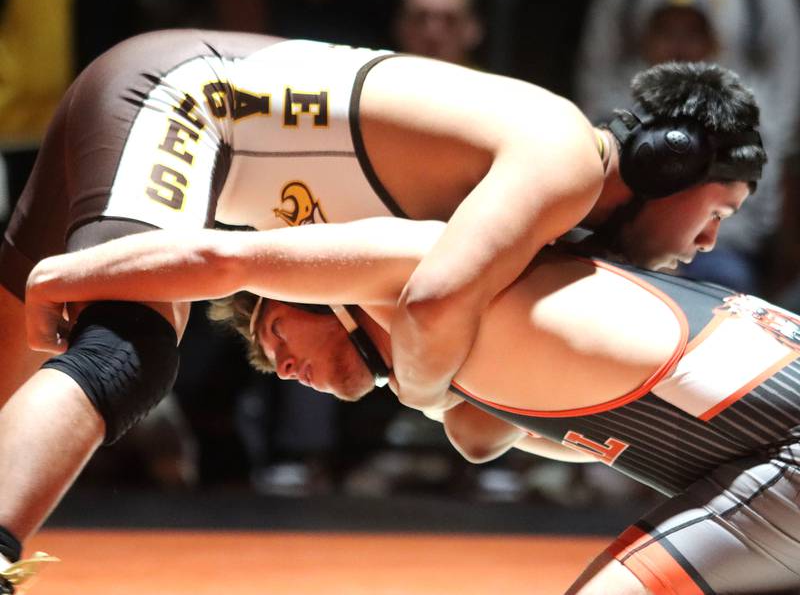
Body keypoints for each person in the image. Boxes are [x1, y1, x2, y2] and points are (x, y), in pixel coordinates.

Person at [0, 28, 763, 572]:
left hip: (184, 117)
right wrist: (422, 378)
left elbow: (478, 424)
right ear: (671, 166)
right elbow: (433, 307)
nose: (706, 244)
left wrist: (444, 378)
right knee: (124, 352)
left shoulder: (550, 231)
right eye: (717, 213)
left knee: (15, 370)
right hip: (181, 97)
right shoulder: (563, 157)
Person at [26, 211, 800, 594]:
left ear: (320, 290)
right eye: (270, 364)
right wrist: (417, 383)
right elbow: (476, 439)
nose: (282, 366)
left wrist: (56, 278)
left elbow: (220, 255)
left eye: (274, 329)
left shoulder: (432, 263)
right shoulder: (456, 363)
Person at [575, 0, 800, 294]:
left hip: (729, 254)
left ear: (714, 42)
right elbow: (594, 67)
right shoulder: (575, 155)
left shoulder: (747, 123)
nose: (679, 46)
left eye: (694, 34)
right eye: (666, 32)